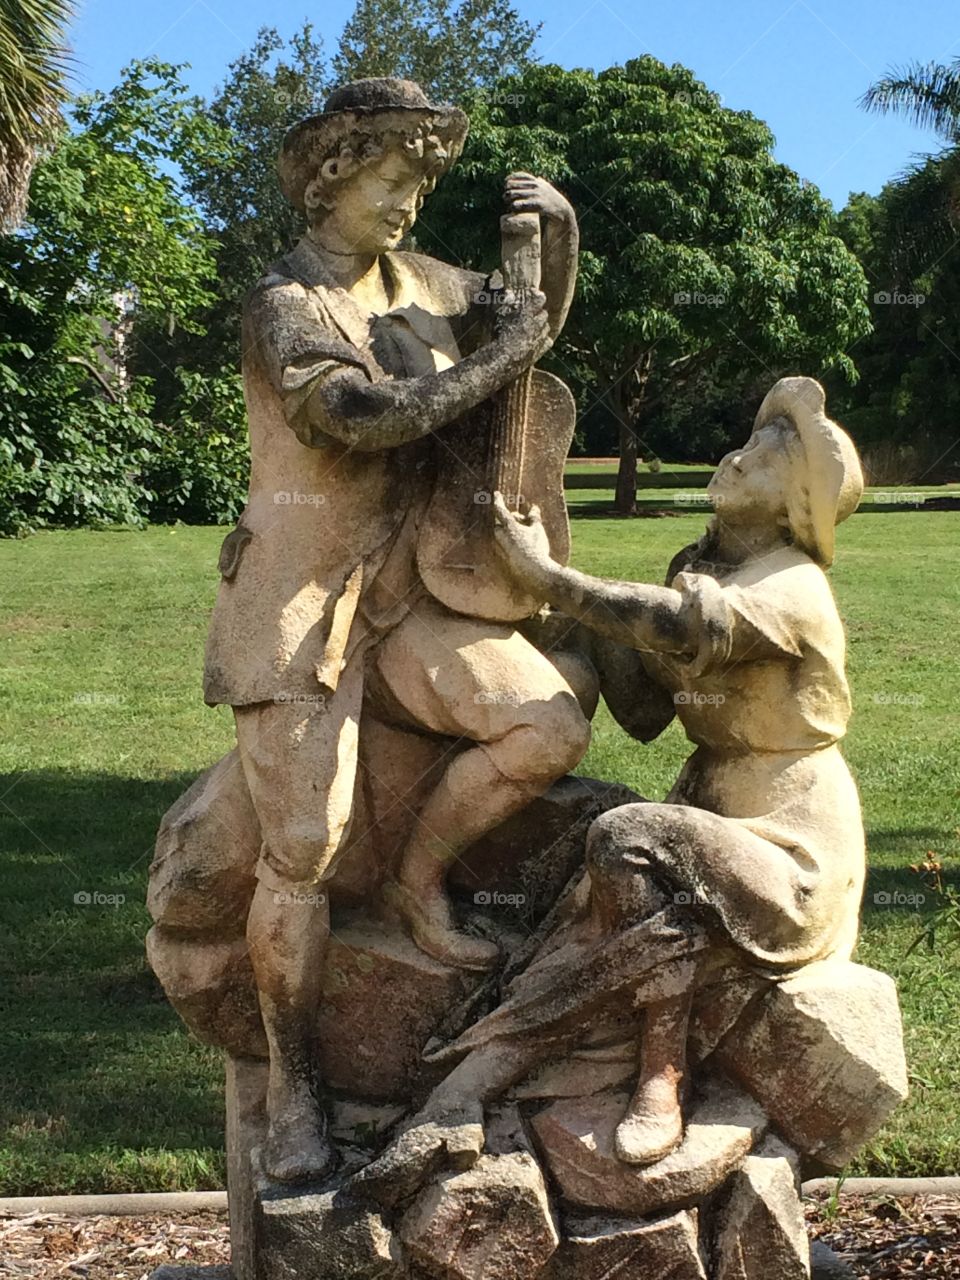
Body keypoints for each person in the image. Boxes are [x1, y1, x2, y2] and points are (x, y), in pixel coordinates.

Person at [203, 78, 590, 1182]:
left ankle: (421, 881)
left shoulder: (425, 282)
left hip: (418, 588)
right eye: (392, 180)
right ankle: (296, 1086)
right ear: (334, 177)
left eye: (422, 185)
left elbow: (531, 319)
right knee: (306, 848)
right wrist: (497, 357)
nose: (410, 205)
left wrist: (553, 240)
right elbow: (354, 419)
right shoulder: (287, 301)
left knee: (544, 726)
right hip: (297, 596)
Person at [355, 375, 867, 1199]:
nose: (739, 455)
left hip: (792, 853)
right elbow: (639, 704)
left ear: (792, 509)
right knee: (586, 831)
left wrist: (554, 578)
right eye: (750, 440)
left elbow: (671, 626)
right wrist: (525, 646)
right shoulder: (701, 568)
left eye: (770, 460)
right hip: (709, 812)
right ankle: (471, 1076)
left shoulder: (791, 585)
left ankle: (658, 1074)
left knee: (627, 838)